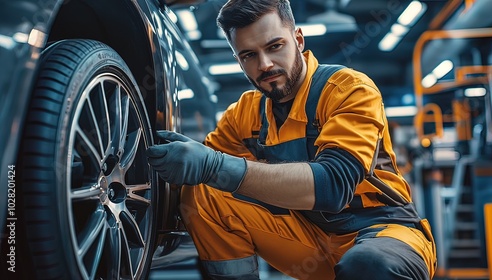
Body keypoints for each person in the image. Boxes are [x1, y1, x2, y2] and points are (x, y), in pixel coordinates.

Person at [146, 0, 437, 279]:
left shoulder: (348, 90)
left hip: (382, 231)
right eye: (249, 55)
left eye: (275, 46)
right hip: (308, 239)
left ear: (298, 39)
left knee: (368, 265)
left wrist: (214, 166)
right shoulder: (244, 114)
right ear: (238, 59)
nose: (265, 65)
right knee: (202, 194)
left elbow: (333, 187)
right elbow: (199, 179)